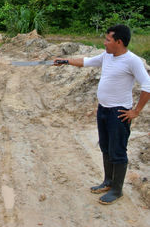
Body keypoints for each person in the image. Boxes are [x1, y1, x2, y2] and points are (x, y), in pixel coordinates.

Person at [54, 24, 150, 205]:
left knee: (118, 151)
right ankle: (107, 181)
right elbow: (86, 61)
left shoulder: (132, 61)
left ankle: (117, 190)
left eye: (108, 39)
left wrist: (136, 111)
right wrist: (65, 61)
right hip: (103, 110)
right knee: (105, 147)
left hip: (119, 113)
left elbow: (148, 85)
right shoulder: (107, 56)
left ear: (119, 42)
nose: (104, 42)